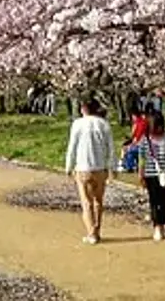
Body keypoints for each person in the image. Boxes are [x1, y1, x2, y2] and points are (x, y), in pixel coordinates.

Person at [64, 97, 116, 244]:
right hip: (100, 167)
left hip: (83, 167)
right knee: (98, 201)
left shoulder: (78, 124)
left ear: (83, 109)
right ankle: (97, 230)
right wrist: (112, 166)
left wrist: (69, 166)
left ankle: (91, 233)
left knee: (86, 202)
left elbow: (72, 146)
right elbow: (110, 147)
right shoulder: (103, 124)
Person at [137, 111, 165, 241]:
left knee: (164, 200)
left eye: (161, 125)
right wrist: (141, 174)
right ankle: (157, 226)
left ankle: (162, 222)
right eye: (157, 125)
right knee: (154, 201)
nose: (159, 128)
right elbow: (141, 158)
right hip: (151, 174)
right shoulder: (145, 140)